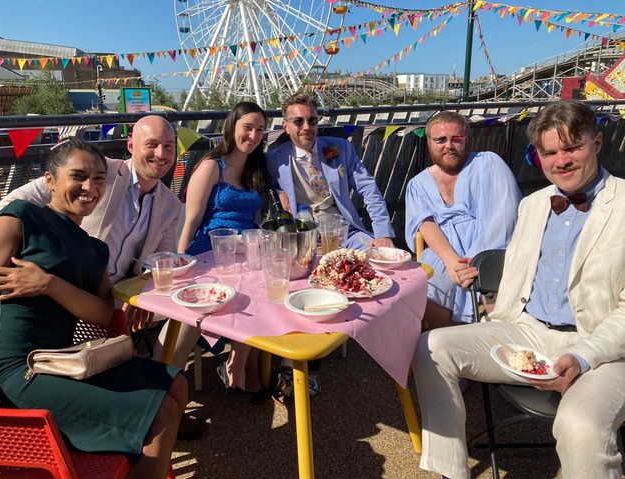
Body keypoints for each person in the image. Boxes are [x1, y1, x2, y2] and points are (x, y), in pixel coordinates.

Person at [413, 101, 625, 479]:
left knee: (580, 425)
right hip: (529, 330)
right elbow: (517, 267)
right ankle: (451, 471)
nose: (561, 161)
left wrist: (583, 356)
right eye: (549, 152)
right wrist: (497, 306)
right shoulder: (534, 205)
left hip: (602, 349)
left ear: (597, 142)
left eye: (572, 147)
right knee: (430, 348)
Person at [0, 140, 185, 479]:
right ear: (50, 180)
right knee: (159, 416)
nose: (89, 188)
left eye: (98, 179)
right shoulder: (21, 218)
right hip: (14, 370)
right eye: (78, 176)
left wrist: (48, 284)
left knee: (176, 385)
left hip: (65, 361)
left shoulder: (95, 247)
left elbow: (101, 314)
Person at [175, 101, 270, 399]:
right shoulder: (210, 166)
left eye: (259, 130)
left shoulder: (257, 168)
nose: (253, 135)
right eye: (248, 128)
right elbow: (190, 220)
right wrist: (181, 263)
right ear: (232, 127)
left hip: (246, 249)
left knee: (270, 283)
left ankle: (238, 363)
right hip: (212, 250)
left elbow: (254, 218)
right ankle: (238, 366)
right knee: (251, 291)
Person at [405, 111, 521, 328]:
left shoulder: (488, 164)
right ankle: (447, 346)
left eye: (456, 139)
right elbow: (424, 223)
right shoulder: (418, 184)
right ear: (429, 142)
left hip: (490, 251)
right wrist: (452, 261)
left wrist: (475, 263)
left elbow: (504, 218)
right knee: (428, 282)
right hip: (446, 253)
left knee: (496, 289)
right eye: (440, 139)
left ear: (466, 139)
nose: (448, 145)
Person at [266, 92, 395, 250]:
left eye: (312, 120)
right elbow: (258, 187)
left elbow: (368, 189)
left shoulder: (341, 149)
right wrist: (278, 191)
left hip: (345, 233)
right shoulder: (273, 160)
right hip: (301, 237)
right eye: (299, 121)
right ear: (286, 126)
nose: (307, 127)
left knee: (381, 257)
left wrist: (383, 233)